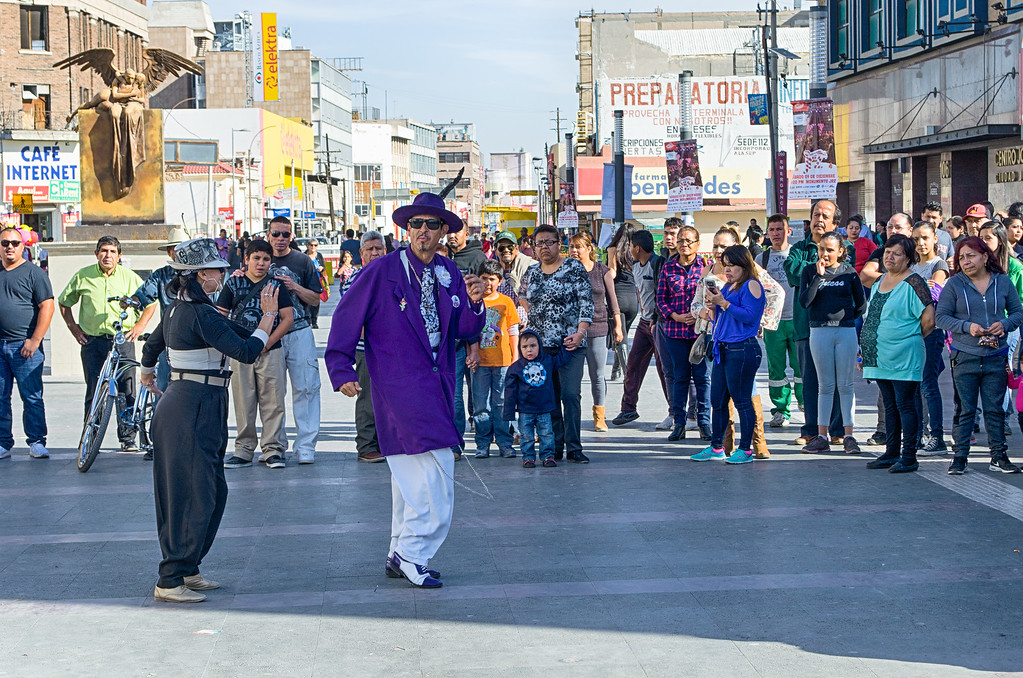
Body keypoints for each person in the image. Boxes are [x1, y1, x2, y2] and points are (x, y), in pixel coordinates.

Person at [325, 187, 487, 589]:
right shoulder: (382, 270)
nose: (424, 231)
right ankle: (415, 555)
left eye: (433, 225)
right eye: (416, 224)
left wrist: (476, 302)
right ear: (406, 228)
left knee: (409, 476)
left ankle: (400, 550)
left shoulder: (448, 271)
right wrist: (341, 367)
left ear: (444, 231)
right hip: (398, 382)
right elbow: (346, 317)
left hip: (437, 381)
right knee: (433, 475)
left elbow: (463, 327)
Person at [140, 237, 280, 603]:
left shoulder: (185, 309)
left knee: (210, 490)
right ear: (202, 274)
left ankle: (188, 567)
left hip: (199, 402)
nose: (223, 272)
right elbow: (248, 351)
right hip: (192, 405)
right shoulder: (197, 313)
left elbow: (153, 345)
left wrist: (147, 371)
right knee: (192, 493)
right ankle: (170, 579)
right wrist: (268, 315)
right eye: (217, 268)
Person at [58, 235, 157, 452]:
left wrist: (139, 326)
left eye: (112, 252)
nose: (107, 255)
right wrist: (73, 327)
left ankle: (128, 438)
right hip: (93, 342)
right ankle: (90, 437)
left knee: (127, 389)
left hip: (122, 341)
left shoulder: (129, 278)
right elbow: (64, 302)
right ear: (96, 254)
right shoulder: (83, 276)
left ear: (119, 256)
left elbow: (151, 303)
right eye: (103, 251)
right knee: (95, 390)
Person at [859, 234, 935, 474]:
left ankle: (909, 456)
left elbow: (929, 320)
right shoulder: (880, 280)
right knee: (890, 405)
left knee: (906, 404)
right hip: (879, 355)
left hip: (904, 354)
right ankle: (891, 452)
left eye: (897, 253)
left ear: (909, 258)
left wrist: (907, 338)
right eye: (888, 252)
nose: (890, 257)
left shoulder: (914, 283)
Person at [518, 223, 593, 463]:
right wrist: (534, 314)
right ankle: (554, 446)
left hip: (570, 344)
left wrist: (581, 332)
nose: (544, 247)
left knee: (570, 395)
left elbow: (586, 302)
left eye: (549, 242)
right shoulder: (531, 272)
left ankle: (574, 447)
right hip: (541, 348)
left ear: (558, 244)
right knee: (548, 398)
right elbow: (521, 294)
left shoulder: (573, 267)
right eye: (539, 243)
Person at [219, 239, 295, 469]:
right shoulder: (233, 285)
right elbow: (221, 316)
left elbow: (288, 319)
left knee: (273, 400)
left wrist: (266, 343)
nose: (261, 263)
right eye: (256, 258)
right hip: (240, 351)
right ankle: (243, 448)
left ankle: (273, 449)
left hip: (270, 351)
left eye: (266, 259)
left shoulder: (276, 285)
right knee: (244, 401)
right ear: (246, 260)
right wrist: (233, 344)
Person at [785, 200, 852, 447]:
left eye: (825, 216)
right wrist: (820, 267)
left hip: (838, 326)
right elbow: (793, 273)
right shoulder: (799, 249)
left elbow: (846, 275)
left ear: (835, 223)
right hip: (807, 326)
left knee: (837, 379)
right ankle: (811, 429)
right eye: (816, 214)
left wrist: (819, 270)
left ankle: (837, 429)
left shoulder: (846, 250)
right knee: (810, 380)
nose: (819, 219)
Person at [691, 245, 766, 465]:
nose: (728, 269)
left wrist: (723, 303)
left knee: (742, 400)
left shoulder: (751, 284)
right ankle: (717, 446)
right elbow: (721, 320)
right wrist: (713, 306)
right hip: (723, 348)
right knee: (719, 401)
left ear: (744, 265)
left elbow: (750, 316)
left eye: (732, 265)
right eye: (725, 265)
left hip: (742, 348)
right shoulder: (731, 286)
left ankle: (746, 449)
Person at [798, 232, 866, 454]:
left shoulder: (849, 273)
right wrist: (819, 277)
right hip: (819, 331)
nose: (825, 254)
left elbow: (861, 305)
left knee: (846, 386)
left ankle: (848, 435)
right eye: (821, 249)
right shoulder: (809, 271)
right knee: (825, 386)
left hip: (845, 332)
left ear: (840, 252)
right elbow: (805, 302)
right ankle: (821, 435)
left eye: (830, 250)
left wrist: (845, 318)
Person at [264, 216, 322, 464]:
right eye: (276, 234)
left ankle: (306, 445)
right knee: (272, 393)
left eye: (285, 234)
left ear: (292, 236)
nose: (280, 239)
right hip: (268, 332)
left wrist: (294, 286)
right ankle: (275, 445)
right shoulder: (259, 258)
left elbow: (316, 299)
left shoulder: (302, 260)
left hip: (299, 331)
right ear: (268, 234)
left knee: (307, 387)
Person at [0, 227, 54, 460]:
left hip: (25, 347)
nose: (9, 246)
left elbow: (47, 307)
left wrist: (35, 340)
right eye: (4, 243)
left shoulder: (34, 273)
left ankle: (36, 441)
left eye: (14, 242)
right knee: (1, 397)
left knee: (31, 396)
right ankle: (3, 443)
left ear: (23, 246)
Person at [655, 223, 709, 441]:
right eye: (681, 241)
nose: (684, 244)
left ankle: (704, 422)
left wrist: (699, 313)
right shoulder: (668, 268)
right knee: (680, 377)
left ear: (697, 244)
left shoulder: (706, 266)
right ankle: (679, 422)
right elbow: (661, 299)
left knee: (702, 378)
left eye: (689, 241)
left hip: (699, 331)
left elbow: (712, 294)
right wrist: (674, 315)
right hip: (675, 331)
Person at [611, 230, 670, 427]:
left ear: (637, 247)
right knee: (634, 365)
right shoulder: (636, 266)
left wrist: (656, 318)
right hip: (644, 324)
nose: (629, 250)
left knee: (664, 369)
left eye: (631, 246)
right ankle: (628, 408)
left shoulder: (658, 264)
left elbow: (663, 295)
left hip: (658, 323)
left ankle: (675, 411)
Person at [342, 231, 388, 463]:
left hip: (392, 349)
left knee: (392, 398)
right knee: (368, 399)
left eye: (378, 248)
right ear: (361, 253)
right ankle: (367, 445)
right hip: (366, 349)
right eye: (369, 249)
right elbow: (353, 319)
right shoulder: (354, 279)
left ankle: (388, 442)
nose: (374, 253)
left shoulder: (394, 276)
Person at [569, 231, 621, 432]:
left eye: (578, 247)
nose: (574, 251)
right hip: (571, 329)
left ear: (589, 249)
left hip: (597, 326)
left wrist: (617, 325)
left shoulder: (602, 271)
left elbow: (612, 300)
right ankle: (572, 416)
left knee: (597, 374)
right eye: (572, 247)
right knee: (572, 376)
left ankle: (599, 416)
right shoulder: (566, 270)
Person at [133, 227, 190, 403]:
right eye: (175, 249)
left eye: (183, 248)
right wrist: (133, 300)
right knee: (163, 389)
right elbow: (144, 294)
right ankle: (160, 428)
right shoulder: (161, 275)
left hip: (195, 342)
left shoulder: (200, 274)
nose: (179, 253)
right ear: (169, 252)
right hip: (169, 340)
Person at [504, 329, 573, 467]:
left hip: (544, 408)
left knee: (547, 434)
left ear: (539, 346)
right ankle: (528, 457)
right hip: (525, 410)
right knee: (526, 435)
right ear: (520, 348)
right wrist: (509, 412)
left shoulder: (547, 361)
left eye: (533, 346)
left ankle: (548, 456)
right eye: (525, 347)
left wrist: (564, 344)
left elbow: (561, 359)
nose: (529, 350)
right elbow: (510, 391)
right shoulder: (515, 368)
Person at [472, 259, 520, 458]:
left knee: (502, 403)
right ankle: (482, 442)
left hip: (503, 361)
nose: (488, 283)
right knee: (481, 404)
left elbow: (513, 329)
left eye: (492, 279)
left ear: (499, 281)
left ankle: (504, 441)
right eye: (484, 278)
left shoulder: (506, 302)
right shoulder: (473, 301)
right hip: (480, 362)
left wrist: (515, 356)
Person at [447, 220, 487, 452]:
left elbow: (477, 302)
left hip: (465, 338)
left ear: (466, 234)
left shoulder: (476, 259)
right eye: (449, 233)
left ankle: (457, 443)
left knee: (461, 395)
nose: (452, 237)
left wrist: (474, 345)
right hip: (440, 340)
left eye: (457, 232)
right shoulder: (443, 258)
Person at [912, 222, 951, 454]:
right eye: (916, 239)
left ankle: (937, 436)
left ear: (935, 238)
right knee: (915, 385)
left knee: (929, 384)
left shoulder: (939, 264)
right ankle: (917, 435)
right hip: (913, 331)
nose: (921, 243)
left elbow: (934, 291)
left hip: (932, 332)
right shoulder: (913, 266)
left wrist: (921, 289)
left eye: (925, 238)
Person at [760, 214, 803, 427]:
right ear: (767, 233)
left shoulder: (797, 255)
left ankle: (806, 405)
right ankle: (780, 410)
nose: (776, 233)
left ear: (789, 231)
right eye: (772, 229)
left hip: (797, 320)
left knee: (801, 367)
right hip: (773, 322)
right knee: (776, 368)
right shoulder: (761, 259)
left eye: (780, 229)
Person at [607, 223, 638, 381]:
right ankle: (616, 370)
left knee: (621, 336)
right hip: (633, 299)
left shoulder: (613, 250)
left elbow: (612, 272)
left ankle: (627, 374)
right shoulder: (635, 251)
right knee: (623, 333)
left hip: (618, 297)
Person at [305, 239, 326, 329]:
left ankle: (314, 321)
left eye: (315, 245)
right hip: (306, 281)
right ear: (307, 245)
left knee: (316, 301)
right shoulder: (304, 256)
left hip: (317, 280)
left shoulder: (319, 255)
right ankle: (308, 319)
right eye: (311, 245)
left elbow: (324, 266)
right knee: (306, 300)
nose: (313, 247)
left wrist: (322, 268)